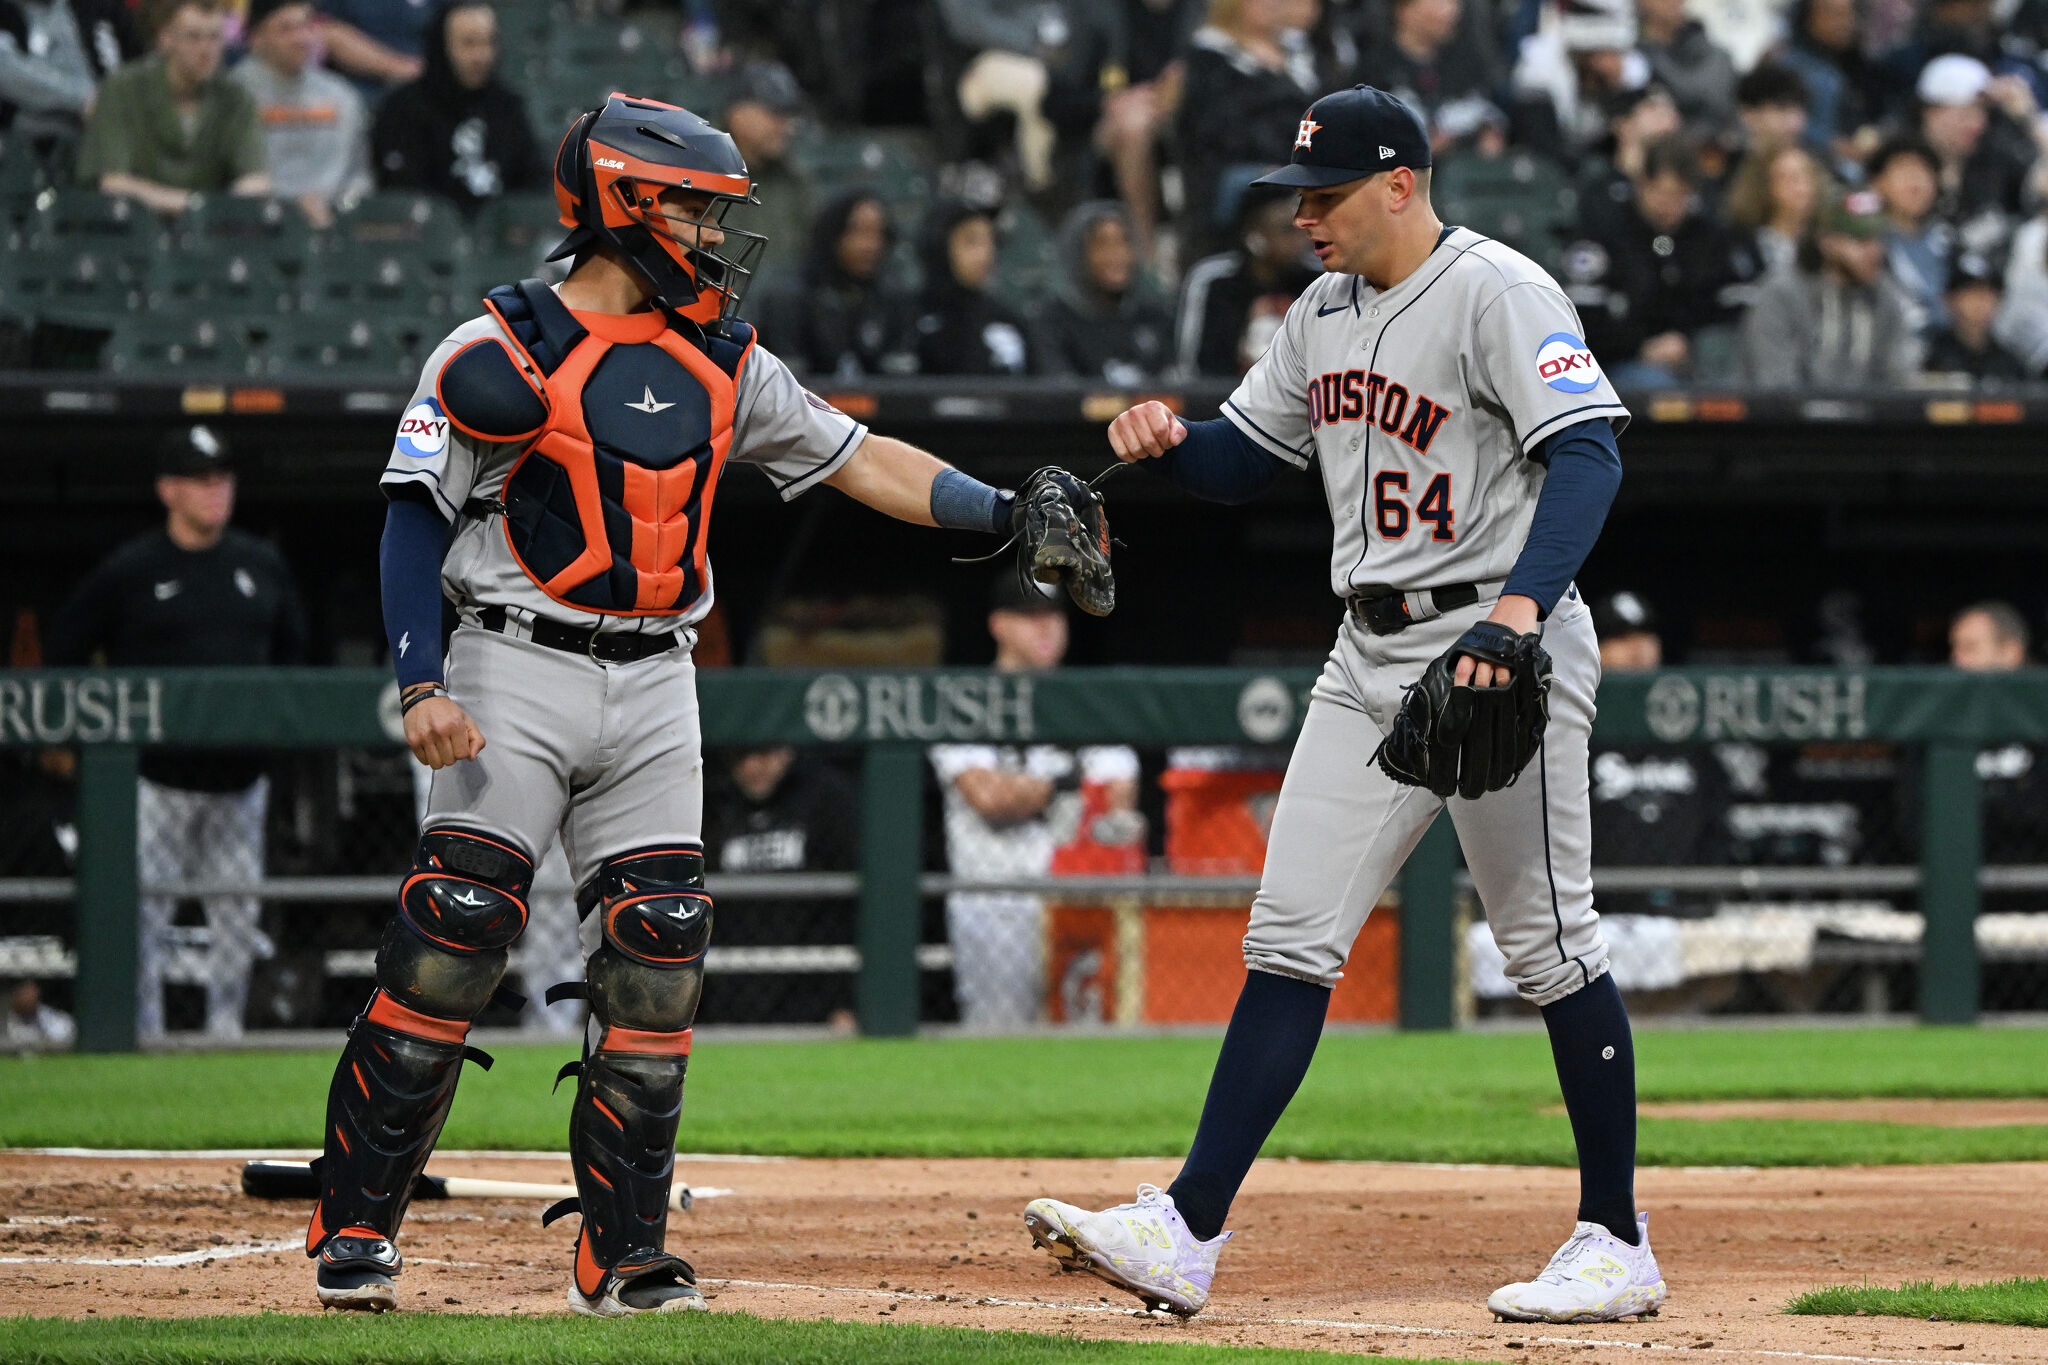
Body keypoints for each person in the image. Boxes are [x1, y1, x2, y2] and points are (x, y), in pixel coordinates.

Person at [306, 93, 1048, 1317]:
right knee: (453, 935)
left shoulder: (724, 356)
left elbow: (859, 456)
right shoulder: (497, 348)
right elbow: (410, 516)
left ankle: (622, 1253)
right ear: (624, 204)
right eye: (699, 211)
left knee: (658, 954)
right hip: (512, 662)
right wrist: (419, 680)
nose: (715, 238)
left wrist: (1003, 508)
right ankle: (356, 1230)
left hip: (659, 671)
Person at [1023, 85, 1656, 1325]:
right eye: (1295, 196)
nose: (1302, 215)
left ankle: (1614, 1237)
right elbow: (1244, 461)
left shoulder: (1497, 290)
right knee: (1288, 935)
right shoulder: (1318, 312)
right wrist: (1166, 438)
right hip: (1365, 651)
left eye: (1323, 193)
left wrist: (1516, 615)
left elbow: (1587, 452)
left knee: (1548, 946)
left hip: (1495, 639)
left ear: (1401, 183)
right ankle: (1186, 1232)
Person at [44, 425, 308, 1043]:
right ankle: (144, 1036)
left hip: (240, 782)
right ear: (168, 490)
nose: (215, 492)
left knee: (237, 917)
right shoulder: (134, 569)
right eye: (200, 480)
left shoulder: (259, 564)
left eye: (222, 479)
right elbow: (66, 648)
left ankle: (226, 1033)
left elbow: (297, 660)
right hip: (155, 781)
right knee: (142, 917)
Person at [930, 575, 1140, 1029]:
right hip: (995, 901)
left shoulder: (1088, 705)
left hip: (1076, 900)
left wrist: (1037, 789)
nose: (1045, 629)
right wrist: (1068, 781)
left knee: (1091, 1040)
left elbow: (1119, 797)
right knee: (999, 1039)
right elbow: (988, 796)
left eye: (1052, 616)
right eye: (1029, 618)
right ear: (999, 625)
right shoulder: (965, 702)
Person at [1567, 137, 1760, 387]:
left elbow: (1732, 302)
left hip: (1696, 358)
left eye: (1682, 197)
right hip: (1622, 361)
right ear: (1641, 183)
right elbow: (1582, 318)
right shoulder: (1607, 231)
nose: (1671, 206)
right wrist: (1640, 347)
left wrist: (1688, 340)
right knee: (1655, 384)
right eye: (1663, 193)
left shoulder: (1705, 235)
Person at [1585, 590, 1729, 917]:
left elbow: (1717, 822)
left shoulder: (1689, 734)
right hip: (1599, 911)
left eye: (1646, 635)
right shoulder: (1575, 730)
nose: (1638, 648)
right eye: (1621, 638)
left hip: (1686, 909)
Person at [700, 746, 861, 1025]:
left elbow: (850, 909)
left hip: (812, 990)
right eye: (740, 757)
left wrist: (845, 1000)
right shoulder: (714, 807)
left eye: (763, 753)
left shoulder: (825, 798)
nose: (751, 767)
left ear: (786, 750)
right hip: (729, 991)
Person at [75, 0, 269, 215]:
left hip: (212, 232)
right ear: (166, 38)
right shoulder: (122, 90)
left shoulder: (236, 98)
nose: (206, 50)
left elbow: (256, 179)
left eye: (214, 37)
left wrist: (229, 207)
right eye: (193, 37)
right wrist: (198, 206)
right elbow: (114, 183)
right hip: (132, 227)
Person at [1043, 0, 1203, 257]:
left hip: (1185, 122)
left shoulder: (1201, 10)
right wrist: (1108, 101)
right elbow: (1054, 103)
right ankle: (1145, 254)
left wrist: (1189, 84)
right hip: (1097, 130)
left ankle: (1203, 242)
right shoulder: (1091, 10)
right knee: (1133, 123)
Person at [368, 0, 542, 216]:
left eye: (489, 43)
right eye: (469, 43)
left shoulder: (508, 106)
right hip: (431, 240)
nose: (482, 56)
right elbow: (403, 192)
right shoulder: (403, 109)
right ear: (442, 46)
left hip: (501, 239)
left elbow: (534, 182)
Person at [1176, 0, 1324, 251]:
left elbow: (1323, 112)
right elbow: (1216, 129)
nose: (1271, 4)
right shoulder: (1210, 55)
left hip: (1298, 162)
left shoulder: (1300, 53)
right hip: (1234, 169)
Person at [1741, 189, 1921, 388]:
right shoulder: (1782, 295)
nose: (1875, 251)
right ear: (1827, 242)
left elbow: (1896, 382)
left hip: (1867, 417)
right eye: (1861, 240)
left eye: (1879, 239)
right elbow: (1776, 387)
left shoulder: (1885, 297)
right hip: (1789, 417)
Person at [229, 0, 369, 228]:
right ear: (256, 37)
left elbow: (359, 175)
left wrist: (342, 207)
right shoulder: (233, 96)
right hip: (255, 226)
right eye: (286, 29)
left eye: (307, 26)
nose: (302, 39)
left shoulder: (342, 96)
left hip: (336, 224)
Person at [755, 189, 917, 378]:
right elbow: (784, 386)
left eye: (878, 233)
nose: (870, 245)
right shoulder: (789, 299)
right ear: (832, 233)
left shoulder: (893, 298)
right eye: (857, 231)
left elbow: (902, 387)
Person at [1174, 183, 1319, 376]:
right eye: (1286, 231)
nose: (1301, 240)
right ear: (1255, 237)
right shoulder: (1214, 281)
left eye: (1302, 228)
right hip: (1226, 399)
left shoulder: (1319, 278)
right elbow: (1193, 367)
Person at [1031, 199, 1174, 382]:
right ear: (1077, 254)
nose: (1117, 255)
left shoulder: (1155, 317)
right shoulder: (1052, 321)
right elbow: (1061, 395)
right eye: (1102, 244)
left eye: (1124, 242)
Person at [911, 197, 1037, 375]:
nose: (985, 254)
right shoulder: (907, 318)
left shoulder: (1006, 320)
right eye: (971, 241)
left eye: (989, 241)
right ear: (939, 245)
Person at [1354, 0, 1499, 152]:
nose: (1452, 10)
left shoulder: (1467, 66)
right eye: (1439, 3)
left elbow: (1486, 114)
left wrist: (1485, 134)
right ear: (1405, 11)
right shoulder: (1374, 70)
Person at [719, 61, 813, 292]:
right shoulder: (701, 174)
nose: (784, 126)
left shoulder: (795, 181)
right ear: (737, 115)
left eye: (787, 116)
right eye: (775, 114)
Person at [0, 0, 137, 157]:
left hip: (94, 135)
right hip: (22, 143)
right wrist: (85, 98)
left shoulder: (84, 9)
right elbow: (5, 70)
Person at [1571, 83, 1682, 243]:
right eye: (1653, 109)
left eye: (1670, 111)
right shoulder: (1594, 179)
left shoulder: (1688, 183)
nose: (1668, 119)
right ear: (1623, 125)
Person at [1867, 137, 1950, 333]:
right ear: (1877, 183)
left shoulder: (1949, 240)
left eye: (1924, 172)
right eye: (1904, 171)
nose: (1916, 181)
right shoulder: (1868, 242)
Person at [1723, 137, 1828, 278]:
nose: (1802, 188)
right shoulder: (1745, 249)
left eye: (1807, 177)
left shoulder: (1824, 245)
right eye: (1789, 179)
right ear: (1764, 187)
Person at [1921, 247, 2029, 383]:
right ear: (1949, 299)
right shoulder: (1929, 356)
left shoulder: (2011, 363)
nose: (1981, 303)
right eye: (1972, 294)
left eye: (1988, 294)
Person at [1633, 0, 1737, 140]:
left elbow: (1716, 107)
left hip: (1705, 148)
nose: (1677, 2)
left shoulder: (1715, 56)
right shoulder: (1626, 54)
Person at [3, 980, 76, 1053]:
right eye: (23, 994)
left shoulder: (48, 1015)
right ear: (14, 997)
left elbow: (64, 1034)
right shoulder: (6, 1019)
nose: (28, 998)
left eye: (30, 993)